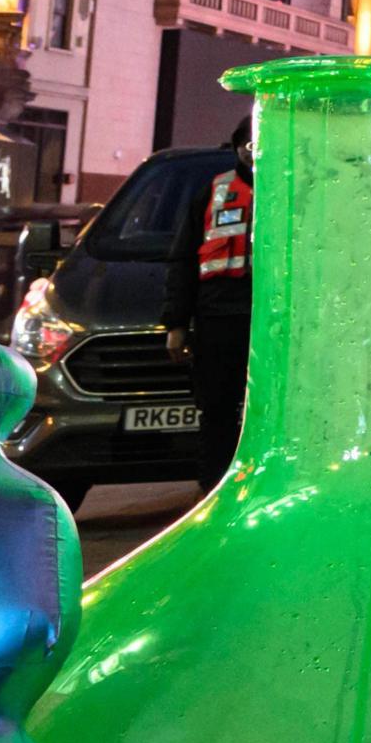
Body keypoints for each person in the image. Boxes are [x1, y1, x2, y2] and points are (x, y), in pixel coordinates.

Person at [159, 144, 253, 489]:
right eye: (247, 144)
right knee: (217, 413)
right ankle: (215, 488)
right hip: (219, 319)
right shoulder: (213, 191)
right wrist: (176, 323)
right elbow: (183, 260)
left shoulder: (294, 184)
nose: (252, 151)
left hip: (274, 323)